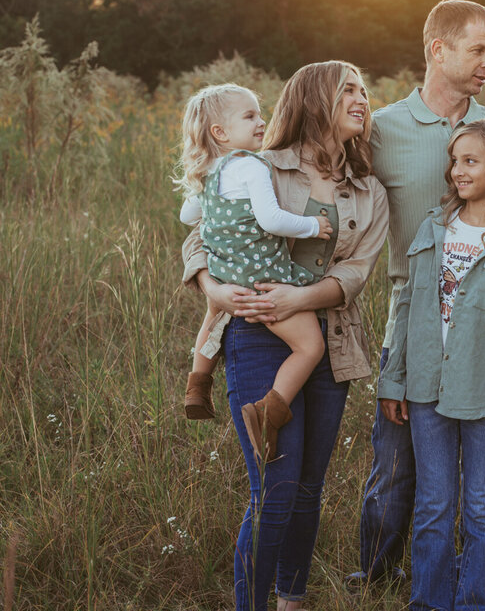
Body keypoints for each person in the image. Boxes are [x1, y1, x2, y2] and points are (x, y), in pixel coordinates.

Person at [179, 61, 389, 611]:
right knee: (274, 490)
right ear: (316, 100)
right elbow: (203, 234)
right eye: (349, 90)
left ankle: (291, 599)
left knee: (306, 490)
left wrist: (300, 298)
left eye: (364, 90)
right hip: (255, 335)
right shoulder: (258, 166)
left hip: (330, 340)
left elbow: (356, 273)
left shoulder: (368, 191)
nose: (362, 99)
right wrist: (212, 288)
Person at [350, 0, 485, 588]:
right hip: (410, 323)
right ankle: (375, 573)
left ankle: (465, 576)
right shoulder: (382, 130)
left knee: (475, 472)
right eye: (478, 49)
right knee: (396, 462)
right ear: (438, 50)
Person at [378, 119, 485, 611]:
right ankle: (428, 602)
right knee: (433, 506)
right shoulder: (434, 227)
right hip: (427, 391)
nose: (457, 171)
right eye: (455, 161)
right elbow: (408, 305)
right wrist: (394, 379)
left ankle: (478, 602)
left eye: (470, 161)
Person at [174, 83, 334, 463]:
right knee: (310, 346)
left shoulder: (209, 171)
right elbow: (270, 219)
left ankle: (197, 385)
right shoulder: (250, 165)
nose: (262, 122)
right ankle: (269, 411)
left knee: (214, 315)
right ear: (221, 133)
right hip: (263, 277)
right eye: (250, 116)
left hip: (225, 273)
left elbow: (186, 216)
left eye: (260, 113)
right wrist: (313, 226)